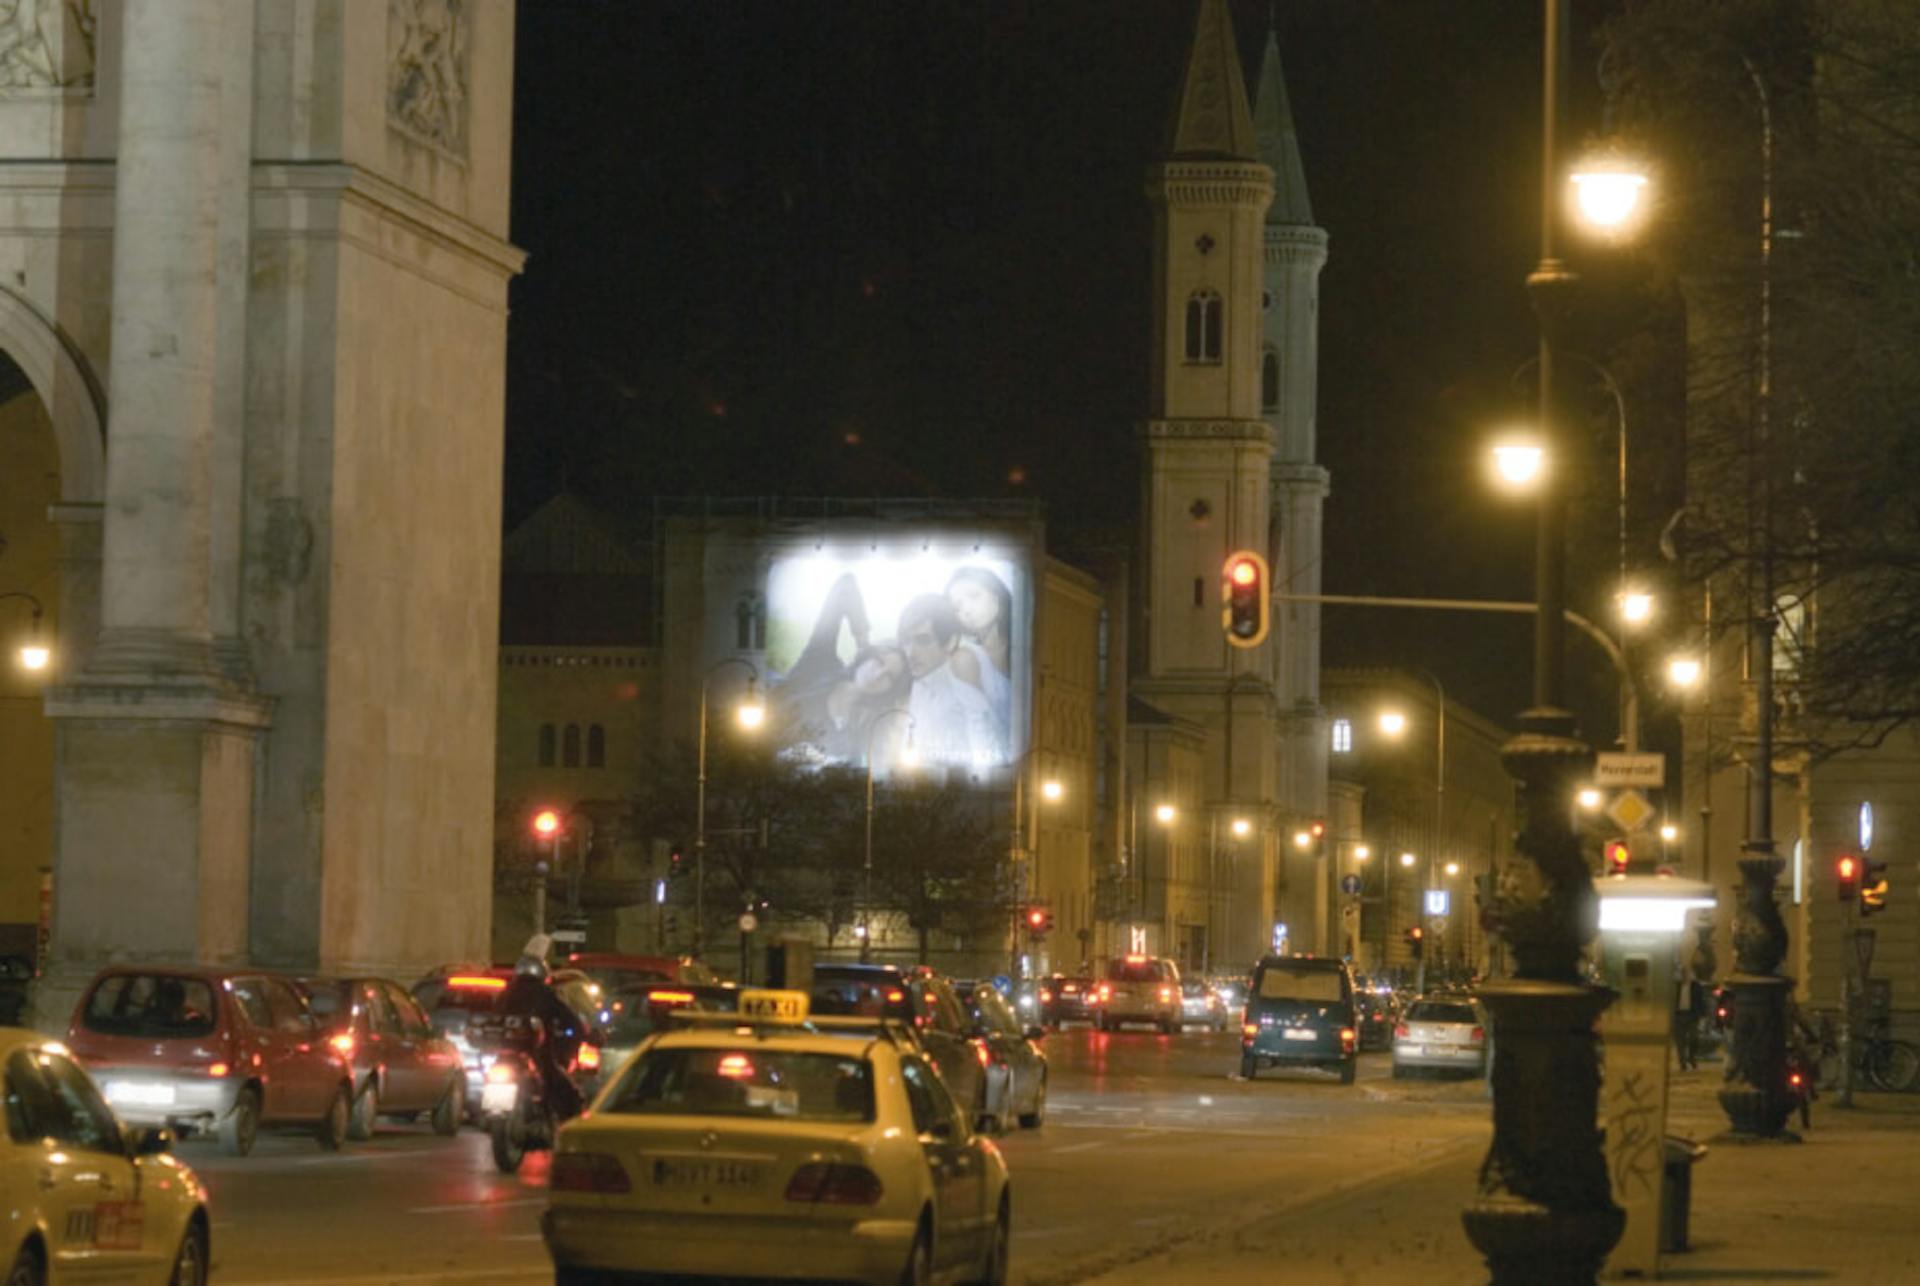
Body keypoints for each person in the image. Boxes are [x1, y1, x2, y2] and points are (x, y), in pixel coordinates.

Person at [772, 572, 912, 764]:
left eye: (889, 677)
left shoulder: (866, 724)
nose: (878, 674)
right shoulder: (819, 661)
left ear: (890, 689)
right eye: (879, 662)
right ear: (868, 656)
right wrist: (862, 640)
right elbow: (845, 586)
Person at [899, 593, 1000, 769]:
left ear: (950, 642)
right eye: (906, 641)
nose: (910, 652)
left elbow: (984, 742)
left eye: (923, 640)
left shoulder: (963, 672)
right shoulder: (920, 683)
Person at [499, 934, 585, 1121]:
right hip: (534, 1052)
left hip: (506, 1051)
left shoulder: (506, 993)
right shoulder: (544, 993)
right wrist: (580, 1033)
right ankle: (566, 1126)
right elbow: (569, 1019)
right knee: (563, 1087)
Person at [945, 566, 1014, 745]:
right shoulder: (966, 658)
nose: (967, 610)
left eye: (974, 596)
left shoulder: (1024, 644)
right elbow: (977, 724)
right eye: (957, 607)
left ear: (995, 595)